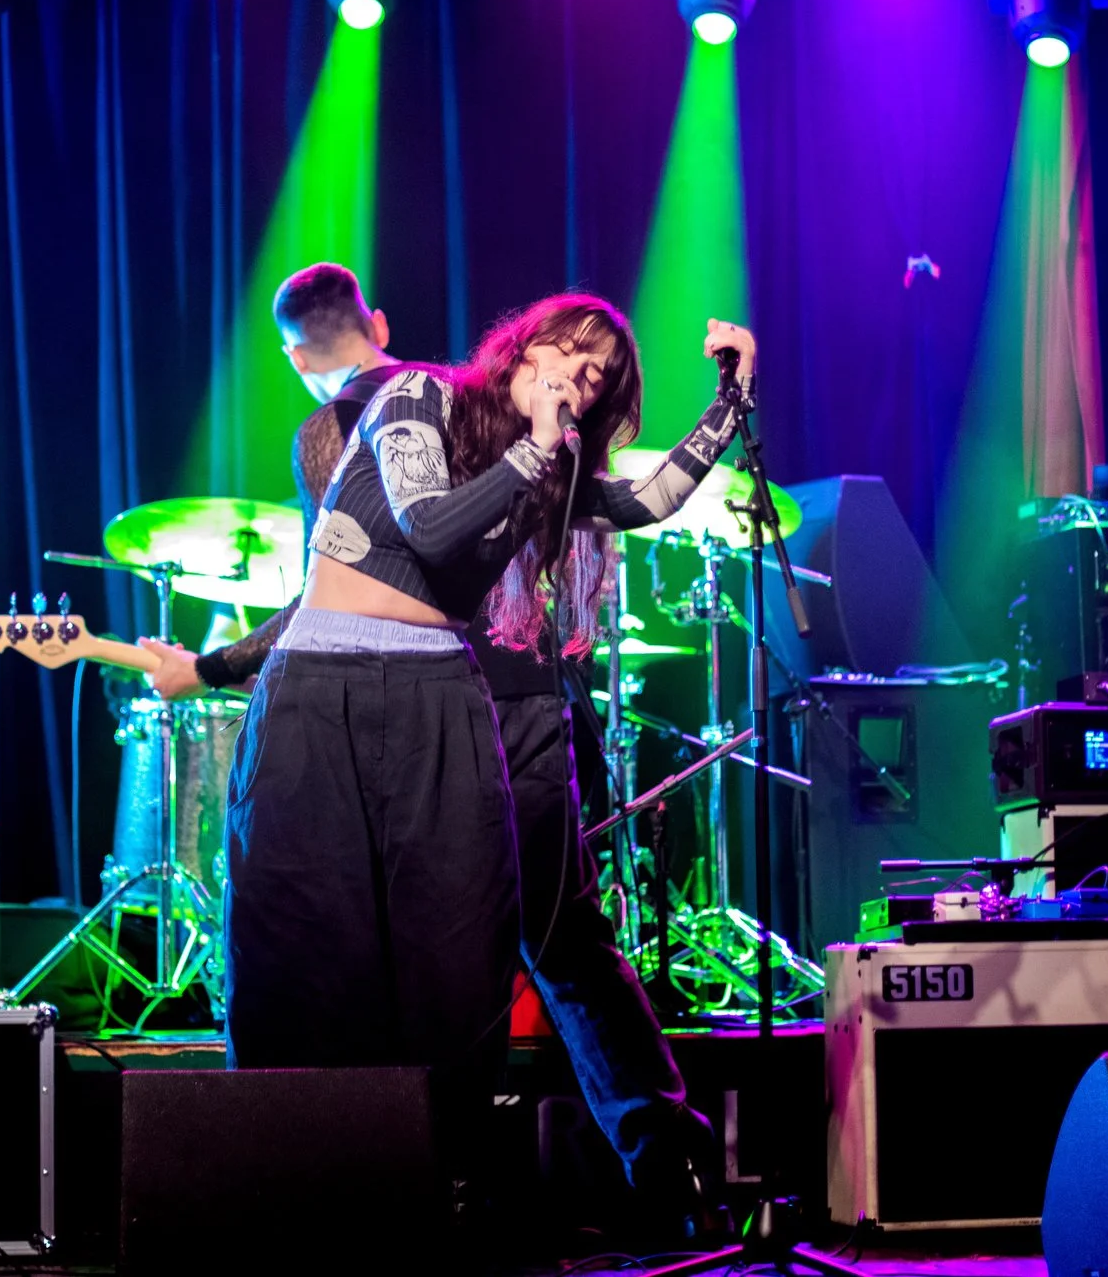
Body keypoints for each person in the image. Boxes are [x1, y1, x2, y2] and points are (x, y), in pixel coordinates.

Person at [139, 264, 721, 1214]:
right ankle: (300, 1185)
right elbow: (413, 536)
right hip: (349, 687)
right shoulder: (414, 399)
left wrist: (730, 398)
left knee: (483, 953)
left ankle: (484, 1181)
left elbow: (646, 499)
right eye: (571, 354)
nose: (580, 380)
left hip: (471, 700)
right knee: (318, 937)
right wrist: (211, 668)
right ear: (523, 345)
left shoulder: (539, 460)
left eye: (598, 377)